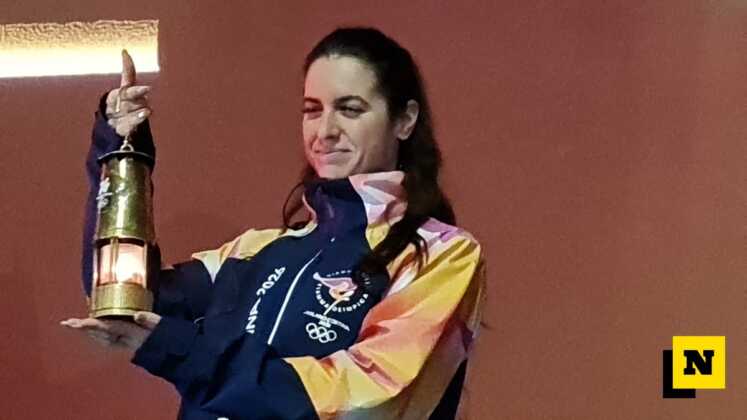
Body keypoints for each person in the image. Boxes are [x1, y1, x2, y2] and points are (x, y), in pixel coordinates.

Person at [62, 27, 486, 420]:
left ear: (405, 120)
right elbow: (123, 295)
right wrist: (123, 155)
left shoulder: (442, 255)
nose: (325, 130)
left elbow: (365, 401)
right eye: (312, 110)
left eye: (350, 109)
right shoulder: (254, 251)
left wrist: (187, 353)